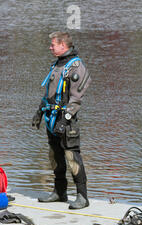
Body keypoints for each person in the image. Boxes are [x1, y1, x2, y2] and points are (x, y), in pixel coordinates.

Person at [32, 32, 91, 209]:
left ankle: (82, 197)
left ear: (63, 45)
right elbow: (49, 94)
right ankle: (60, 192)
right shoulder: (56, 65)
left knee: (72, 156)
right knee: (55, 156)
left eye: (53, 45)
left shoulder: (76, 66)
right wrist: (39, 113)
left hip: (67, 121)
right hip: (51, 118)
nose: (50, 47)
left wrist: (65, 120)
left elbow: (76, 99)